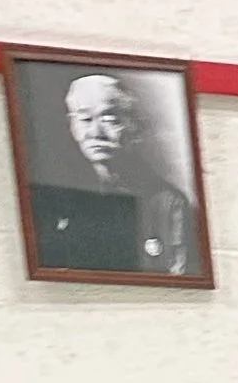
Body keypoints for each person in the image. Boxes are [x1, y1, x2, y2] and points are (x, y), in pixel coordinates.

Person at [29, 72, 197, 278]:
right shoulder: (57, 199)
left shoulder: (167, 203)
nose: (95, 132)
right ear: (72, 126)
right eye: (85, 119)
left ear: (134, 125)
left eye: (109, 118)